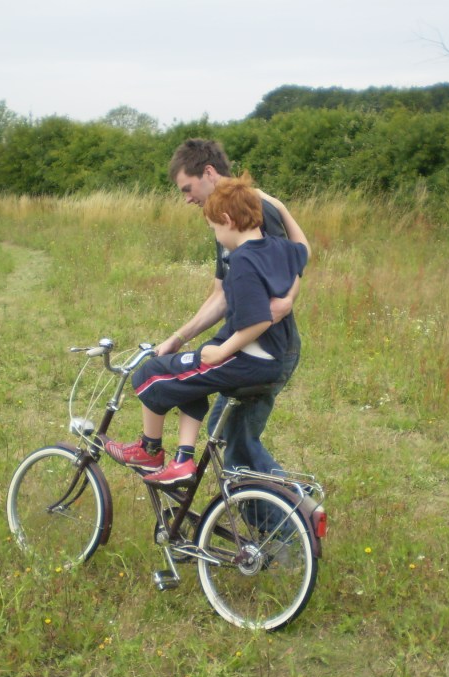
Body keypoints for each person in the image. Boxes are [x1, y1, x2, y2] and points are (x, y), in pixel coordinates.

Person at [103, 174, 310, 486]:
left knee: (149, 374)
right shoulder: (278, 248)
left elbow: (259, 320)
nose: (216, 236)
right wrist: (280, 206)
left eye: (214, 228)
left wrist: (222, 351)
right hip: (268, 356)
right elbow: (303, 247)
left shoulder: (242, 262)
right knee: (188, 376)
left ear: (226, 220)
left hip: (248, 358)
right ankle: (183, 460)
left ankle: (149, 450)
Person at [158, 138, 308, 478]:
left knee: (237, 441)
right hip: (248, 347)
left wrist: (287, 299)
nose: (187, 199)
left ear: (209, 173)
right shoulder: (222, 218)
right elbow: (221, 294)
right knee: (226, 432)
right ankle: (268, 503)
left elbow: (293, 261)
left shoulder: (254, 207)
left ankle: (291, 506)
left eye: (187, 188)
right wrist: (179, 338)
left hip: (269, 348)